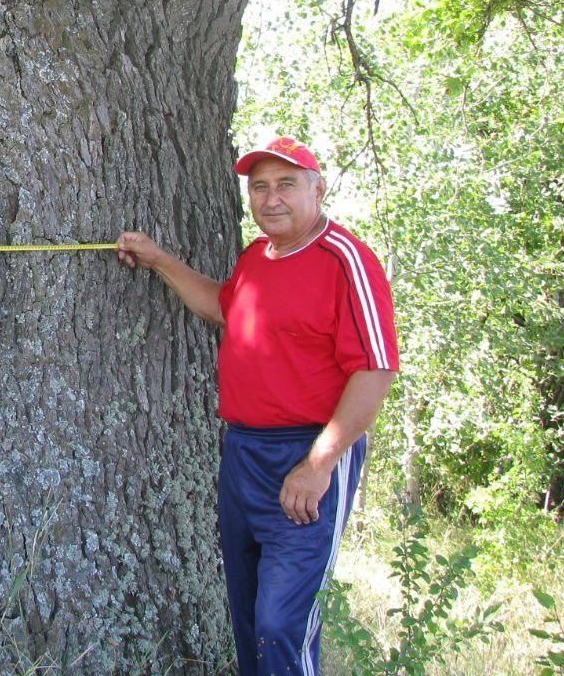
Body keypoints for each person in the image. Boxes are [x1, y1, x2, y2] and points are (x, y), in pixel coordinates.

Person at [116, 135, 398, 676]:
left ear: (318, 189)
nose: (271, 198)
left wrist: (318, 467)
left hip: (309, 454)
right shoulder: (256, 258)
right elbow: (223, 308)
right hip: (244, 453)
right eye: (260, 187)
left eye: (287, 185)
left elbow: (376, 370)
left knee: (281, 623)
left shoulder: (346, 260)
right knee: (248, 617)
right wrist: (159, 261)